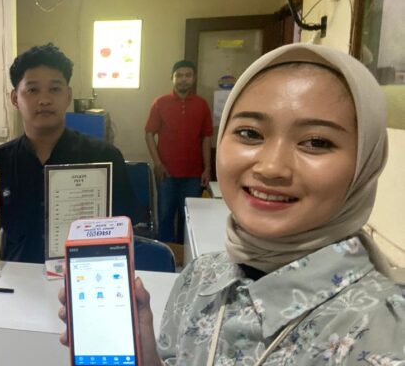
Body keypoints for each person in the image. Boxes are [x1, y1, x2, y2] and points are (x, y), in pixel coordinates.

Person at [59, 43, 404, 365]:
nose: (271, 167)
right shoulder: (200, 277)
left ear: (367, 161)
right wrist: (145, 355)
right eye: (250, 133)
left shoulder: (385, 332)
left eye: (315, 142)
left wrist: (203, 166)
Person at [0, 43, 137, 264]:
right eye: (33, 90)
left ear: (68, 96)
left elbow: (124, 229)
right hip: (17, 278)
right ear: (15, 98)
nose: (44, 100)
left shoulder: (104, 157)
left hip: (84, 276)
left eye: (54, 89)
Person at [145, 60, 213, 243]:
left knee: (190, 219)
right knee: (165, 216)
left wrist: (207, 168)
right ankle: (167, 255)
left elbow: (207, 137)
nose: (183, 79)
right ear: (172, 78)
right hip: (166, 173)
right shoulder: (160, 103)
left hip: (194, 174)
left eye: (188, 75)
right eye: (179, 75)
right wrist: (157, 163)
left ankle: (185, 255)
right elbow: (149, 133)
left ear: (194, 78)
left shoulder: (201, 104)